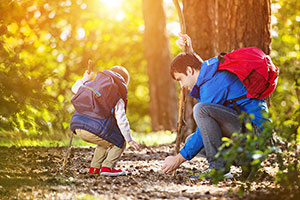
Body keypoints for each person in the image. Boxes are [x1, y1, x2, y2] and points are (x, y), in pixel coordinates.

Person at [161, 33, 270, 179]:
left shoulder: (213, 84)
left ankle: (219, 169)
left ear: (189, 71)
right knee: (191, 140)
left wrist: (177, 160)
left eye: (180, 79)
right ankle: (246, 163)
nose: (182, 85)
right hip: (248, 133)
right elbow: (198, 66)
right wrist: (190, 52)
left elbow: (205, 113)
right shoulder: (212, 71)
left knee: (201, 110)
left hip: (257, 136)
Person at [70, 66, 140, 176]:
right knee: (119, 142)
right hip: (93, 130)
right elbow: (122, 120)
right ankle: (107, 167)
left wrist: (85, 78)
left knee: (105, 141)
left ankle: (95, 168)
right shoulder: (116, 95)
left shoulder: (90, 84)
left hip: (77, 127)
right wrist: (129, 139)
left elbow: (74, 88)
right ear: (123, 83)